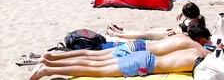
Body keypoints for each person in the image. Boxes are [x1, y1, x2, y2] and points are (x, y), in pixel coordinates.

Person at [29, 46, 209, 80]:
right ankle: (47, 70)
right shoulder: (203, 63)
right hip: (144, 65)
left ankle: (49, 65)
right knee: (94, 70)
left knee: (94, 63)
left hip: (144, 55)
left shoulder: (196, 50)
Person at [108, 2, 206, 40]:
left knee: (143, 35)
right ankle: (123, 31)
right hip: (173, 30)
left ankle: (117, 34)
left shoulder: (195, 25)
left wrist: (175, 34)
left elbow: (190, 37)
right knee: (147, 30)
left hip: (171, 35)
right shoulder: (196, 16)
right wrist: (181, 11)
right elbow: (190, 9)